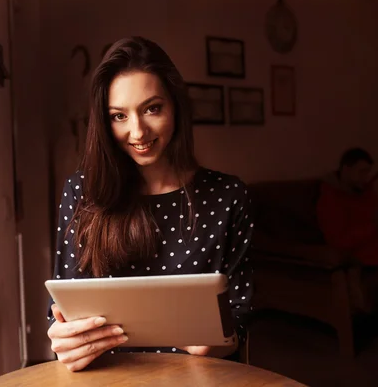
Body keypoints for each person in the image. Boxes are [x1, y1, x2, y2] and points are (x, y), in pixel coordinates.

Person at [46, 36, 255, 372]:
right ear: (104, 121)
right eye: (119, 116)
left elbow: (241, 321)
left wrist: (215, 343)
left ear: (176, 106)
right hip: (105, 378)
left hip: (199, 377)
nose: (138, 131)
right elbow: (62, 311)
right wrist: (64, 343)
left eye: (152, 108)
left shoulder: (227, 196)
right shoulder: (83, 192)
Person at [316, 148, 378, 266]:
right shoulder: (330, 200)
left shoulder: (366, 192)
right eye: (362, 172)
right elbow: (339, 241)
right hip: (366, 253)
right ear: (346, 169)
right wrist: (377, 225)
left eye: (367, 172)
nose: (366, 177)